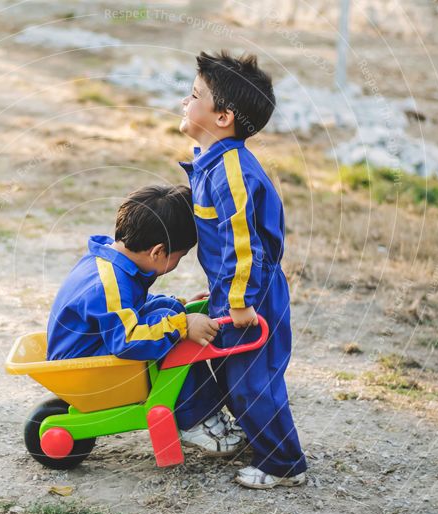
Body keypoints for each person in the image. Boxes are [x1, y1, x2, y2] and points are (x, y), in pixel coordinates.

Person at [178, 50, 308, 488]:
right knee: (237, 375)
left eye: (195, 95)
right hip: (237, 291)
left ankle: (283, 464)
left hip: (253, 295)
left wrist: (239, 302)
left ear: (223, 117)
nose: (185, 102)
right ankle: (256, 439)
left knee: (253, 381)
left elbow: (242, 244)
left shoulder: (230, 170)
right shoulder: (215, 162)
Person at [47, 184, 244, 455]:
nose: (179, 261)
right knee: (174, 336)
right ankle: (197, 421)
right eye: (180, 256)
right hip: (87, 368)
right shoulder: (110, 283)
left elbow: (131, 310)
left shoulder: (113, 262)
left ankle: (204, 414)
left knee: (169, 313)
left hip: (94, 352)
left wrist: (180, 306)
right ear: (158, 252)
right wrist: (181, 326)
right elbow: (126, 340)